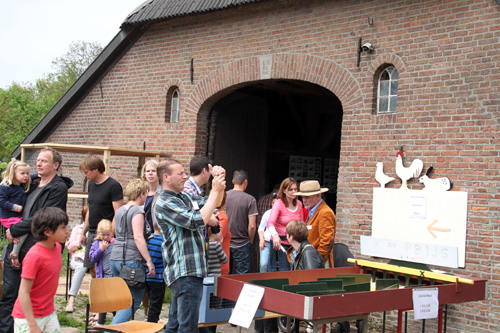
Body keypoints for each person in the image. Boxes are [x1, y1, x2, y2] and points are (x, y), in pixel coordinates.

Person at [0, 147, 73, 333]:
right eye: (38, 160)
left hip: (35, 248)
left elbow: (44, 218)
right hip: (15, 245)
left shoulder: (58, 187)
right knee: (9, 296)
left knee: (29, 294)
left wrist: (14, 229)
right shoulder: (30, 183)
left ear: (56, 165)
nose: (39, 163)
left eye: (44, 161)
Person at [154, 158, 225, 333]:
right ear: (166, 177)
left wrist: (220, 183)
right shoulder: (164, 203)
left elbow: (215, 203)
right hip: (185, 272)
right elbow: (196, 221)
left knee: (175, 326)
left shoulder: (183, 196)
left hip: (190, 271)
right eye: (181, 174)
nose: (186, 177)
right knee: (188, 328)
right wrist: (215, 189)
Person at [12, 207, 69, 333]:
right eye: (63, 227)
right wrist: (32, 325)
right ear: (48, 232)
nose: (67, 231)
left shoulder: (57, 248)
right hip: (27, 318)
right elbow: (23, 292)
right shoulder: (34, 256)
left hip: (48, 312)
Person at [109, 178, 154, 324]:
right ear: (141, 194)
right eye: (146, 193)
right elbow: (138, 237)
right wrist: (148, 261)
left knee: (122, 299)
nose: (146, 196)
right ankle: (110, 330)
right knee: (133, 300)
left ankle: (116, 327)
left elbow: (114, 231)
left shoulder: (120, 210)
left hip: (115, 258)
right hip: (131, 260)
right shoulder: (137, 211)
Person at [80, 154, 123, 278]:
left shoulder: (113, 185)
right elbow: (90, 209)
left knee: (106, 268)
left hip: (106, 233)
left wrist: (111, 234)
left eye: (86, 172)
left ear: (96, 170)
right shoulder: (92, 185)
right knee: (91, 267)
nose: (85, 175)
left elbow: (118, 212)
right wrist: (84, 231)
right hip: (93, 232)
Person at [267, 178, 306, 272]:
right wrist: (275, 235)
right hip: (280, 242)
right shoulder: (279, 203)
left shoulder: (299, 204)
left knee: (295, 269)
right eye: (290, 189)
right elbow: (270, 222)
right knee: (284, 270)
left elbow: (301, 223)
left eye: (295, 189)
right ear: (284, 190)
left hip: (295, 243)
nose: (293, 192)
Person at [293, 180, 336, 267]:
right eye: (302, 197)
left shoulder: (325, 212)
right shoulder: (313, 210)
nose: (304, 200)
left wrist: (316, 262)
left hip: (318, 263)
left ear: (317, 196)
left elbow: (326, 242)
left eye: (307, 197)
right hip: (311, 260)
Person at [0, 160, 31, 269]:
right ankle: (15, 252)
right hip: (8, 217)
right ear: (13, 173)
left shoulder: (21, 186)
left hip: (16, 216)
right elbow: (1, 201)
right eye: (22, 173)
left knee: (21, 229)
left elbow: (34, 175)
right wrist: (15, 207)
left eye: (27, 173)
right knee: (23, 228)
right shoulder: (5, 186)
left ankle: (15, 242)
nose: (26, 176)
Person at [226, 170, 258, 274]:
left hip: (226, 241)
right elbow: (252, 226)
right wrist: (251, 240)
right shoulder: (250, 200)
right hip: (242, 243)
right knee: (242, 276)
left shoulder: (223, 196)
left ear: (232, 181)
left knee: (225, 275)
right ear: (245, 182)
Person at [89, 219, 115, 325]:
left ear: (112, 233)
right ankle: (100, 322)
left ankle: (117, 318)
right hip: (102, 277)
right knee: (103, 301)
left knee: (113, 299)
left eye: (108, 234)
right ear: (99, 234)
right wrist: (101, 249)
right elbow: (92, 258)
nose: (105, 237)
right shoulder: (96, 244)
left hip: (113, 277)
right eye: (103, 235)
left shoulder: (115, 244)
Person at [65, 206, 89, 313]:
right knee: (81, 267)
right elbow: (69, 246)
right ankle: (71, 299)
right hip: (78, 259)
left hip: (91, 259)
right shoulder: (77, 229)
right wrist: (79, 241)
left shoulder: (95, 230)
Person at [145, 219, 165, 323]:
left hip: (146, 277)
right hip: (158, 279)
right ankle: (152, 323)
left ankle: (151, 320)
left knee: (151, 301)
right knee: (156, 305)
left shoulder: (149, 240)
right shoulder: (164, 243)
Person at [258, 194, 277, 273]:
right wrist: (261, 239)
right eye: (273, 203)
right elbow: (261, 228)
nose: (274, 205)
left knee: (275, 268)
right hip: (267, 242)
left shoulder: (285, 213)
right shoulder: (268, 213)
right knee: (263, 264)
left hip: (279, 243)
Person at [141, 159, 160, 231]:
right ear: (144, 174)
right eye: (148, 171)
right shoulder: (142, 192)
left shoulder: (163, 193)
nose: (150, 173)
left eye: (153, 171)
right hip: (144, 233)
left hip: (157, 234)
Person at [216, 191, 231, 276]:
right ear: (224, 201)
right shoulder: (223, 217)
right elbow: (219, 242)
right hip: (220, 265)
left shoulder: (208, 215)